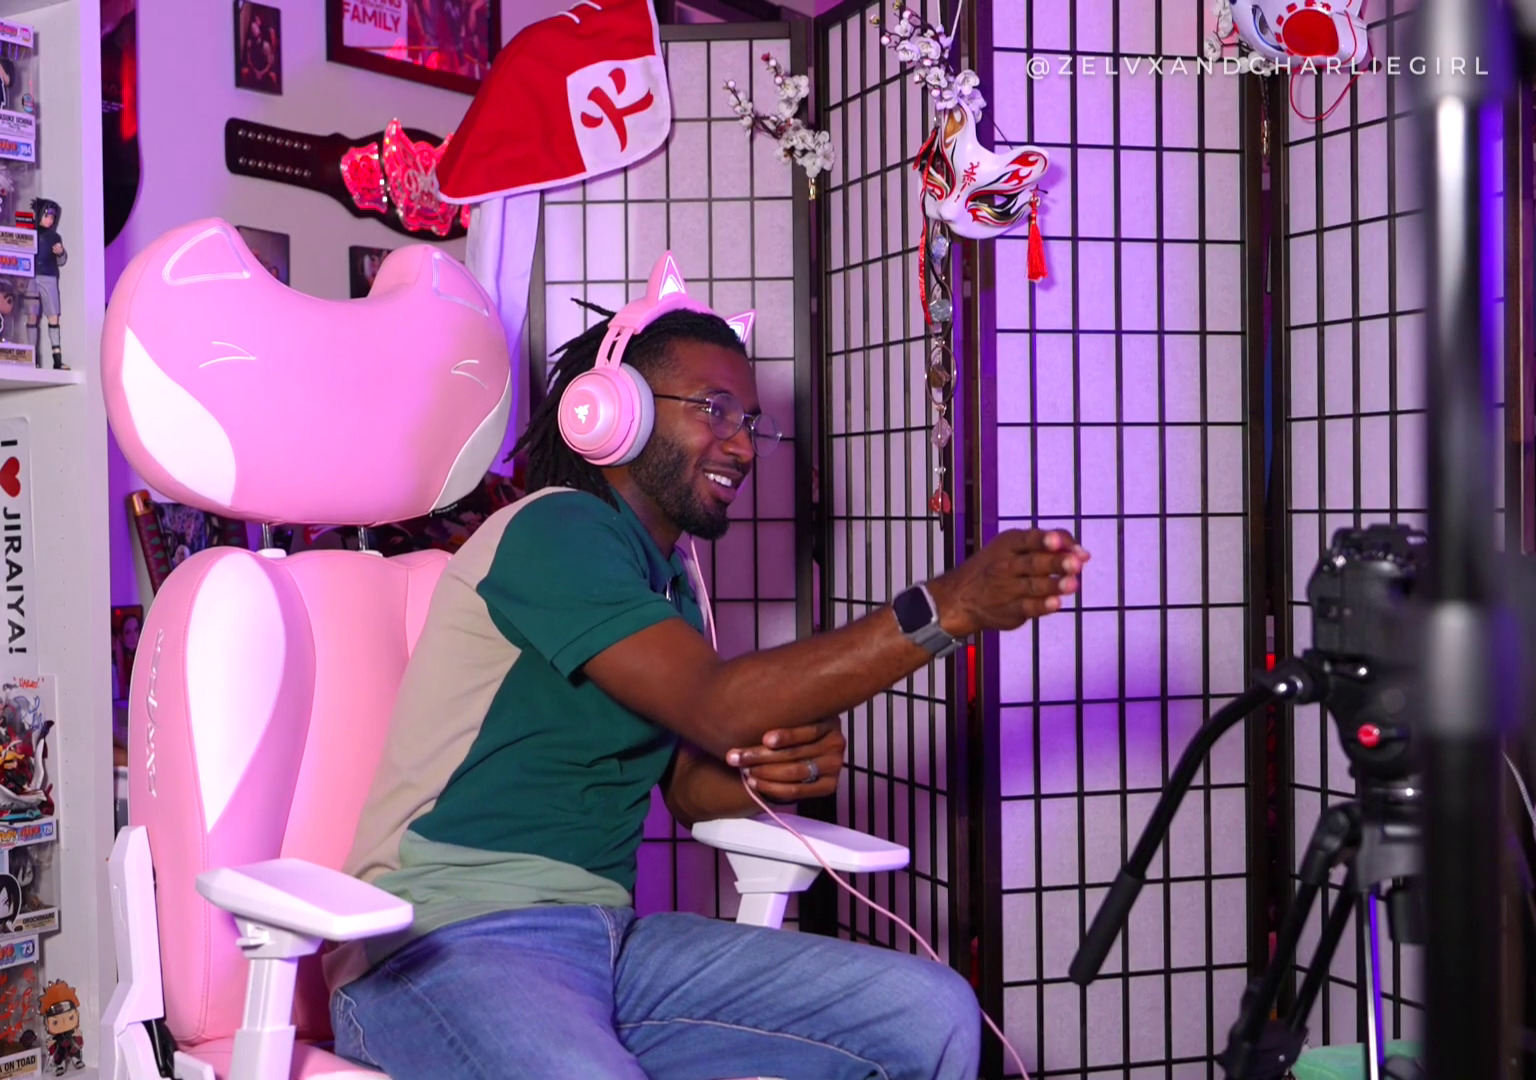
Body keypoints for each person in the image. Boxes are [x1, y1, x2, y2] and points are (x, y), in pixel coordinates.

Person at [328, 297, 1089, 1080]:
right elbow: (715, 703)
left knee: (926, 1012)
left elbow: (690, 790)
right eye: (714, 409)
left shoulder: (666, 582)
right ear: (615, 409)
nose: (743, 444)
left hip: (605, 941)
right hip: (442, 941)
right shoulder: (554, 531)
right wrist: (947, 609)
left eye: (751, 421)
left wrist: (770, 773)